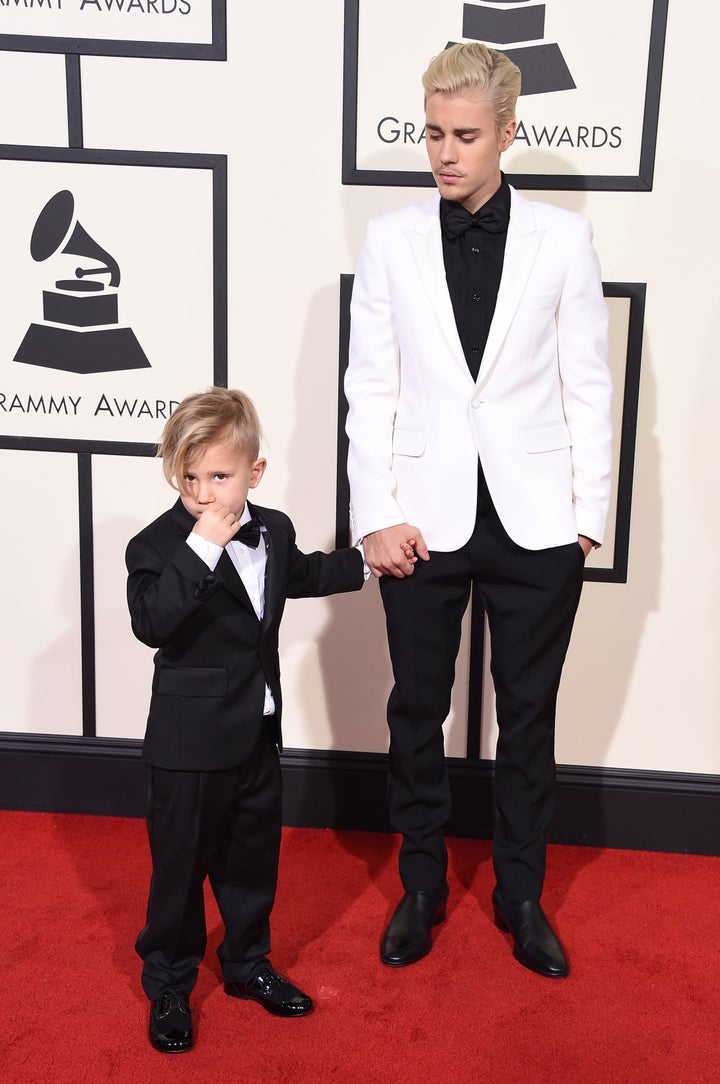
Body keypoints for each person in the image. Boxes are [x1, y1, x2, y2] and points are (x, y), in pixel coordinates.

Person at [345, 41, 612, 978]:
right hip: (420, 515)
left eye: (464, 135)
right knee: (416, 710)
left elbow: (589, 382)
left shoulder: (564, 240)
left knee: (527, 716)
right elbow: (369, 387)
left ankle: (521, 893)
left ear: (507, 132)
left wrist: (590, 517)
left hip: (537, 521)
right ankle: (421, 888)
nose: (444, 153)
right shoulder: (388, 239)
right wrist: (373, 512)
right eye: (432, 133)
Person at [126, 387, 365, 1052]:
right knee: (180, 869)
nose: (203, 493)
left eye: (219, 477)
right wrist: (200, 547)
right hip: (187, 745)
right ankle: (169, 981)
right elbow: (152, 621)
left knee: (252, 862)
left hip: (258, 732)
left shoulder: (275, 529)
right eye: (189, 477)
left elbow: (306, 573)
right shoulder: (155, 545)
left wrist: (370, 561)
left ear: (254, 474)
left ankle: (247, 964)